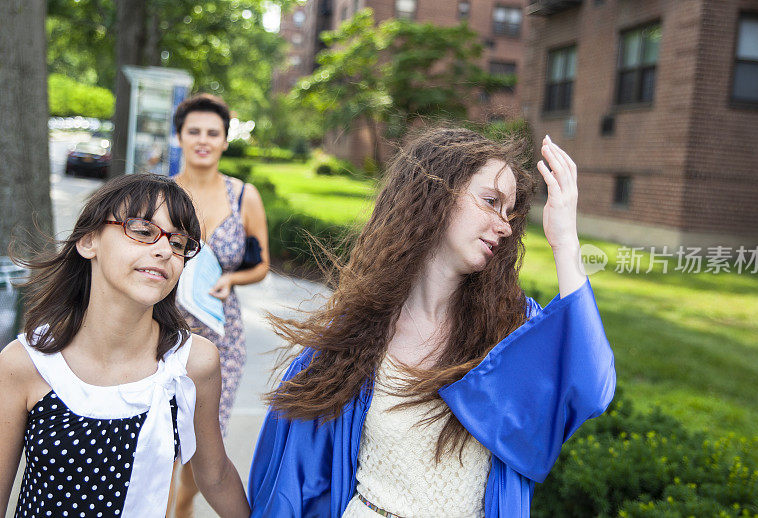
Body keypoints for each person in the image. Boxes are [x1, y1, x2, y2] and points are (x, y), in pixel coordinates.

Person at [247, 127, 617, 517]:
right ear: (435, 195)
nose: (505, 224)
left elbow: (593, 386)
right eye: (491, 201)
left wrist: (565, 242)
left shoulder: (511, 330)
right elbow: (291, 484)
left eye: (510, 212)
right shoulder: (357, 333)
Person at [0, 174, 250, 517]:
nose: (164, 250)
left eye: (179, 243)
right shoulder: (25, 363)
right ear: (89, 241)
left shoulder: (193, 363)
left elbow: (216, 475)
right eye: (143, 231)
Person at [170, 93, 269, 516]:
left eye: (213, 133)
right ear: (180, 137)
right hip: (163, 330)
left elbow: (262, 264)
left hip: (220, 338)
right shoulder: (162, 194)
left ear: (226, 140)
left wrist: (233, 277)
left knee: (203, 439)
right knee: (163, 431)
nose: (203, 140)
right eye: (195, 131)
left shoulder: (244, 195)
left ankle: (176, 508)